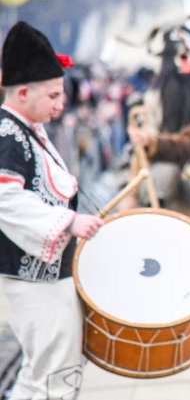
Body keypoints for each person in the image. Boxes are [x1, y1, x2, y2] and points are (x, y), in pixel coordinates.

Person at [0, 21, 103, 400]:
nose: (61, 104)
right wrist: (69, 221)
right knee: (55, 373)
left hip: (45, 274)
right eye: (54, 95)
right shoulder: (8, 135)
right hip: (32, 278)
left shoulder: (26, 129)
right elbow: (5, 199)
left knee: (44, 373)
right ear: (23, 92)